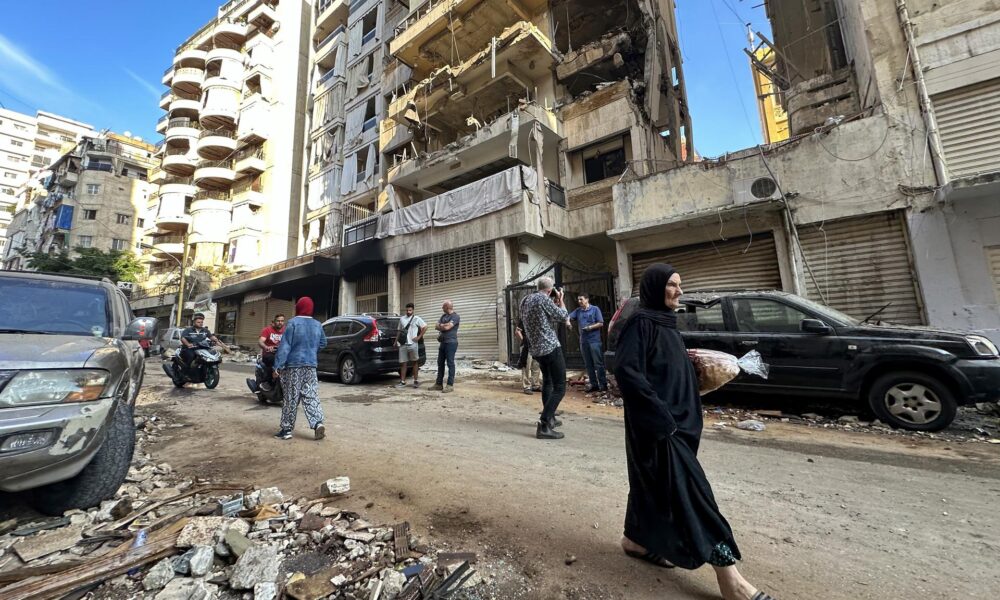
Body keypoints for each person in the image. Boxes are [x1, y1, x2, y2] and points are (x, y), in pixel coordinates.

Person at [613, 264, 776, 600]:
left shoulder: (665, 323)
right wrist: (662, 419)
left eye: (680, 285)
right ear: (656, 287)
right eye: (673, 285)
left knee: (654, 483)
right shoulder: (641, 323)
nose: (679, 291)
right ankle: (731, 579)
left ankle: (636, 540)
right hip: (660, 427)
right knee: (692, 494)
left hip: (679, 424)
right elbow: (627, 372)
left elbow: (667, 367)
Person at [520, 277, 569, 440]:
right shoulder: (544, 299)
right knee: (560, 386)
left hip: (536, 350)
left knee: (547, 381)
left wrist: (552, 302)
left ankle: (551, 418)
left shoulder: (525, 300)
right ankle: (544, 424)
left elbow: (540, 319)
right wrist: (561, 300)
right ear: (549, 290)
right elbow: (563, 316)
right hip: (550, 348)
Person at [273, 297, 327, 441]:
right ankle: (317, 423)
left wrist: (277, 366)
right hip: (311, 365)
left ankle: (286, 430)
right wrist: (312, 351)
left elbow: (285, 347)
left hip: (293, 366)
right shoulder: (317, 324)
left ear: (299, 307)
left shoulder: (293, 323)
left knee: (291, 397)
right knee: (311, 395)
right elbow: (323, 343)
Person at [568, 293, 608, 392]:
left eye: (581, 299)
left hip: (594, 341)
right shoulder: (578, 311)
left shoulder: (595, 309)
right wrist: (568, 322)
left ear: (587, 300)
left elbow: (601, 323)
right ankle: (594, 385)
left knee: (598, 363)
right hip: (584, 342)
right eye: (578, 300)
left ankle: (603, 385)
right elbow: (568, 316)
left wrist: (590, 327)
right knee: (588, 364)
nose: (579, 301)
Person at [431, 300, 460, 393]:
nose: (442, 308)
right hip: (443, 343)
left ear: (447, 307)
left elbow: (448, 327)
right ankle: (439, 384)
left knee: (450, 363)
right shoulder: (443, 316)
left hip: (451, 343)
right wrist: (443, 325)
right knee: (440, 363)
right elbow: (436, 326)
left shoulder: (455, 316)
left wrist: (442, 325)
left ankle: (450, 385)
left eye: (443, 307)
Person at [395, 303, 427, 388]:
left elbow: (425, 327)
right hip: (403, 344)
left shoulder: (417, 319)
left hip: (413, 344)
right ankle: (402, 381)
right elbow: (399, 331)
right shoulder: (402, 319)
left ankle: (416, 381)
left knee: (415, 362)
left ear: (413, 310)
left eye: (410, 310)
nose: (408, 312)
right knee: (403, 363)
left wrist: (419, 337)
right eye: (407, 310)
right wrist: (395, 342)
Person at [258, 314, 285, 390]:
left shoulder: (286, 331)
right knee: (272, 360)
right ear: (274, 321)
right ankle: (268, 382)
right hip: (269, 354)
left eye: (282, 321)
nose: (280, 322)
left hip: (282, 354)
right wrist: (266, 347)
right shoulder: (267, 330)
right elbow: (261, 341)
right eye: (278, 321)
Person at [515, 321, 541, 394]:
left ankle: (535, 385)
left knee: (536, 366)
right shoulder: (524, 318)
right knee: (526, 366)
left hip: (537, 346)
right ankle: (527, 386)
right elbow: (517, 332)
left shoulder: (538, 318)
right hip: (527, 346)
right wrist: (524, 340)